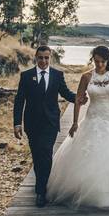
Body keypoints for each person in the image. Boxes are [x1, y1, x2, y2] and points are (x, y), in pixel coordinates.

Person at [45, 46, 109, 209]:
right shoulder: (86, 77)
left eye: (102, 62)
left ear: (108, 61)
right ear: (93, 60)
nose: (99, 65)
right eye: (96, 61)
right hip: (92, 118)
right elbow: (78, 100)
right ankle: (86, 191)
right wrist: (75, 122)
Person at [13, 46, 86, 207]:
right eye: (41, 58)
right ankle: (41, 184)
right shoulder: (26, 76)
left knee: (46, 153)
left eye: (47, 58)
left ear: (50, 58)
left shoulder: (57, 75)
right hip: (32, 124)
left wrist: (79, 98)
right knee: (37, 156)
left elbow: (66, 93)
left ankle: (41, 192)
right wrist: (17, 123)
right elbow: (19, 100)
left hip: (51, 123)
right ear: (36, 58)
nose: (44, 61)